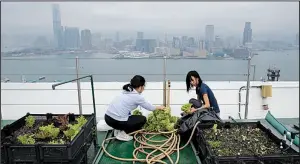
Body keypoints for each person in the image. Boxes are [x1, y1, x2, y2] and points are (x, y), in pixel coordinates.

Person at [105, 75, 165, 141]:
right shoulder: (136, 96)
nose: (143, 88)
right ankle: (123, 134)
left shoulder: (127, 90)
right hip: (116, 121)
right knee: (142, 119)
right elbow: (150, 107)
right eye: (143, 86)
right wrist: (160, 107)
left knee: (128, 116)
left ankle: (118, 129)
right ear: (140, 87)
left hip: (107, 118)